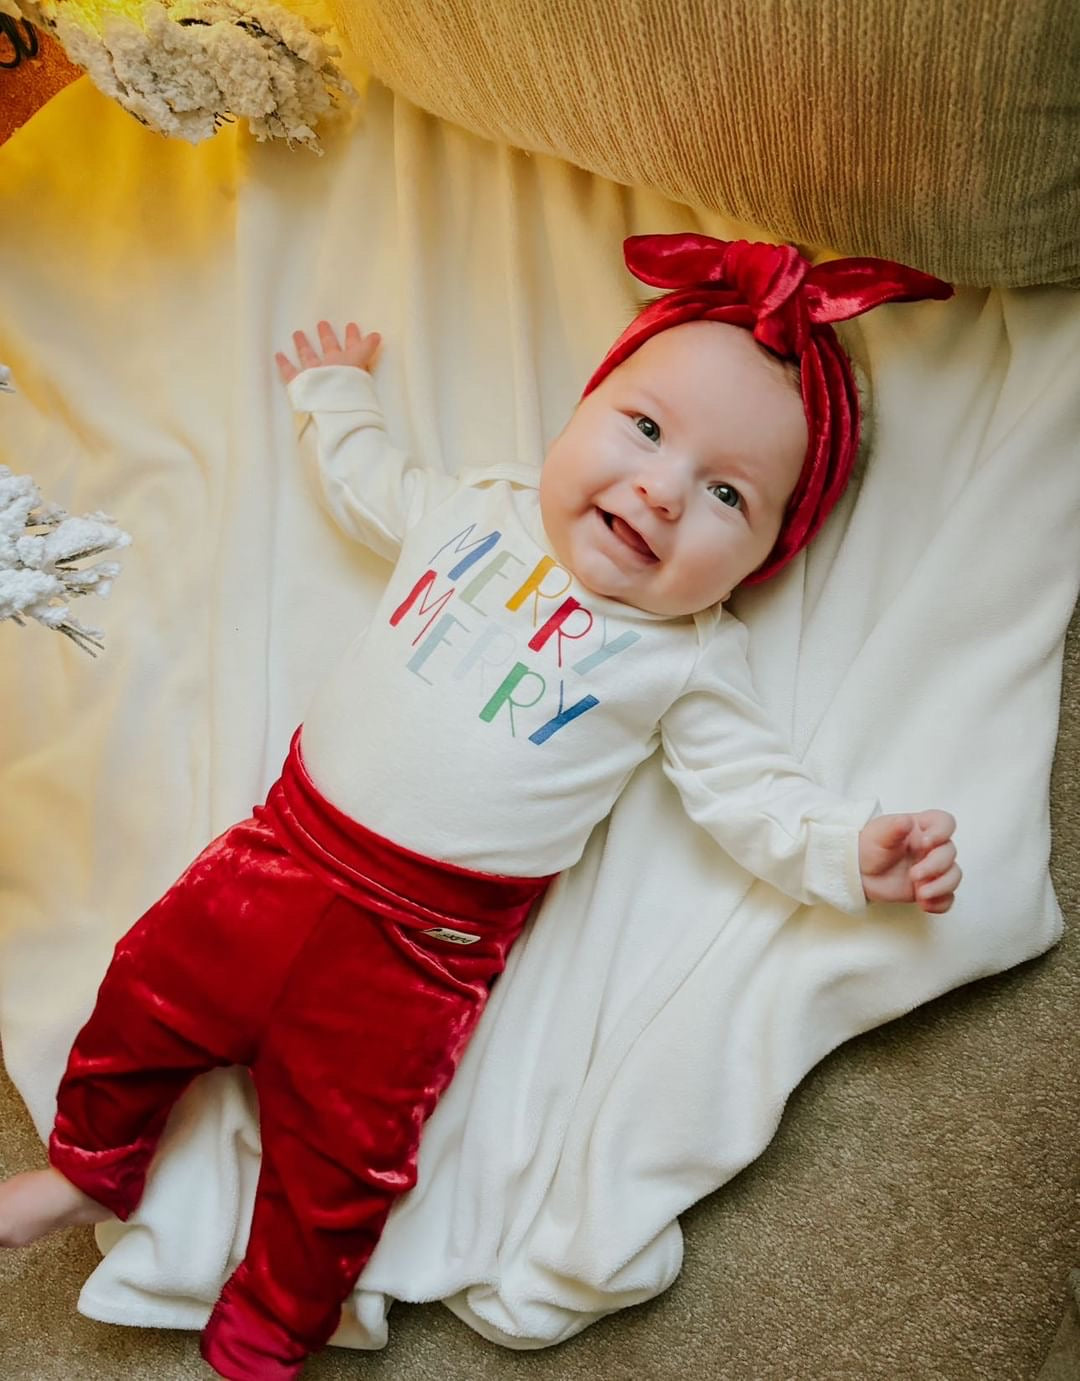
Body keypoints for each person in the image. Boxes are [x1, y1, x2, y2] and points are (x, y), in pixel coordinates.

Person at [0, 234, 961, 1380]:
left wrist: (856, 851)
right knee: (144, 991)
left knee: (346, 1164)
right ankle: (89, 1168)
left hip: (421, 949)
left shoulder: (687, 660)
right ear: (580, 412)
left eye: (726, 495)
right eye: (646, 429)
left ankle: (266, 1328)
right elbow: (371, 486)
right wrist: (334, 396)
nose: (660, 488)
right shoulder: (477, 508)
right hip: (279, 853)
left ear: (763, 556)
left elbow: (749, 793)